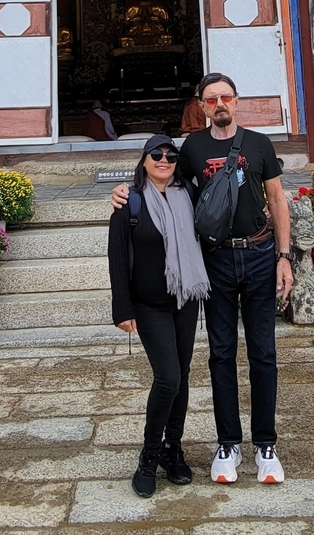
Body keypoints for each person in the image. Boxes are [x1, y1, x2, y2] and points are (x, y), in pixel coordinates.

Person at [112, 71, 293, 485]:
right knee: (221, 353)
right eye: (211, 100)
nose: (220, 105)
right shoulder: (192, 147)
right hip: (217, 262)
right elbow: (161, 178)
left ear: (237, 100)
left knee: (264, 353)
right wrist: (124, 192)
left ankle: (266, 444)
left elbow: (277, 199)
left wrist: (285, 256)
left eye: (225, 97)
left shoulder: (259, 144)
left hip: (262, 253)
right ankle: (227, 442)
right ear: (201, 105)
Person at [108, 133, 209, 498]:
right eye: (156, 154)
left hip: (186, 300)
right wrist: (123, 308)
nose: (163, 160)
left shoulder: (191, 194)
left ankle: (174, 449)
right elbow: (117, 257)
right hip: (148, 303)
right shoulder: (130, 201)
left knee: (181, 377)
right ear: (144, 160)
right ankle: (149, 455)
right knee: (167, 378)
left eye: (170, 154)